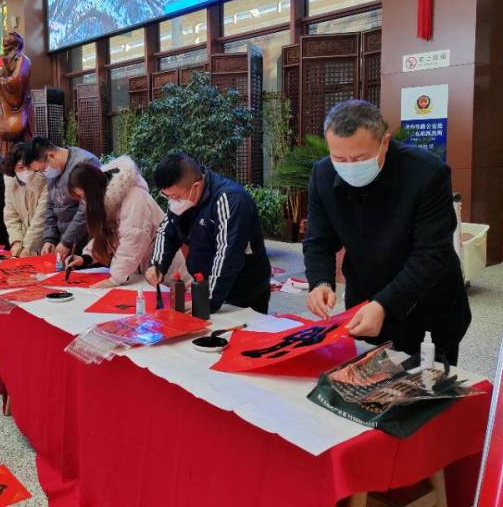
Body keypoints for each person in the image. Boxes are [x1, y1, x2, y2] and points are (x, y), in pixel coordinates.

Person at [302, 100, 470, 364]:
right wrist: (320, 282)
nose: (349, 166)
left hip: (426, 300)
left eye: (358, 159)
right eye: (339, 159)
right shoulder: (322, 174)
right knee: (368, 379)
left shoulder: (427, 173)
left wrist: (385, 304)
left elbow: (431, 254)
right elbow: (318, 240)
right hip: (365, 299)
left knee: (427, 386)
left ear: (385, 142)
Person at [145, 153, 272, 314]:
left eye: (175, 196)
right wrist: (157, 265)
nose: (172, 202)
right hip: (206, 286)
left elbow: (228, 253)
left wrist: (209, 299)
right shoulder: (183, 200)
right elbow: (167, 231)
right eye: (167, 196)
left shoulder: (230, 199)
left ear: (196, 186)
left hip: (242, 291)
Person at [66, 156, 186, 288]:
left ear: (92, 189)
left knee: (173, 304)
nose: (84, 201)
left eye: (83, 196)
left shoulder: (135, 197)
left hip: (165, 272)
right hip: (141, 272)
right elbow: (107, 233)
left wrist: (115, 278)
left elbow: (132, 240)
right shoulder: (108, 200)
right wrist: (86, 257)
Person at [22, 136, 101, 260]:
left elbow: (86, 209)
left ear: (51, 155)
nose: (43, 173)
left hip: (88, 244)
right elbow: (51, 205)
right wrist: (50, 238)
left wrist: (66, 242)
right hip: (65, 241)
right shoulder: (53, 171)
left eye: (42, 169)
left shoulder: (85, 162)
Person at [2, 143, 48, 257]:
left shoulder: (44, 181)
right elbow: (11, 215)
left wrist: (27, 247)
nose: (26, 171)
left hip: (44, 243)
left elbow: (41, 217)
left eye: (29, 166)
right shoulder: (10, 183)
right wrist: (16, 241)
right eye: (21, 167)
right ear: (12, 167)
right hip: (23, 244)